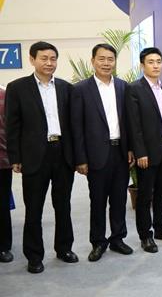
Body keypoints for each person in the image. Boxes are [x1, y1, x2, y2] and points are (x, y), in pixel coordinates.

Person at [5, 41, 77, 273]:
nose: (49, 63)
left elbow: (74, 125)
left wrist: (77, 156)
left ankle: (64, 248)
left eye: (53, 58)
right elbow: (12, 126)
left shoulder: (66, 88)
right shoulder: (17, 88)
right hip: (34, 156)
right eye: (44, 58)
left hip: (62, 153)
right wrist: (15, 157)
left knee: (63, 205)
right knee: (34, 209)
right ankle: (34, 256)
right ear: (32, 59)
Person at [71, 43, 134, 262]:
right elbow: (76, 127)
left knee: (119, 199)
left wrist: (131, 148)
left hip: (121, 153)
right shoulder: (81, 89)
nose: (106, 63)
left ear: (115, 62)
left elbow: (129, 122)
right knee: (97, 201)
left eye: (110, 59)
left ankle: (118, 238)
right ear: (93, 61)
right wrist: (80, 158)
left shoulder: (124, 87)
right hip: (96, 155)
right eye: (102, 59)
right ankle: (98, 242)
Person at [125, 47, 162, 253]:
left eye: (158, 61)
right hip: (146, 153)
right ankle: (145, 235)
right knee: (145, 196)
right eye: (151, 62)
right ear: (142, 65)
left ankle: (160, 228)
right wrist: (140, 152)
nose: (156, 65)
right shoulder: (134, 89)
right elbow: (134, 124)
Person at [0, 85, 13, 263]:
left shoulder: (5, 95)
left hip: (2, 161)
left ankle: (3, 246)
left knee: (2, 205)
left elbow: (12, 128)